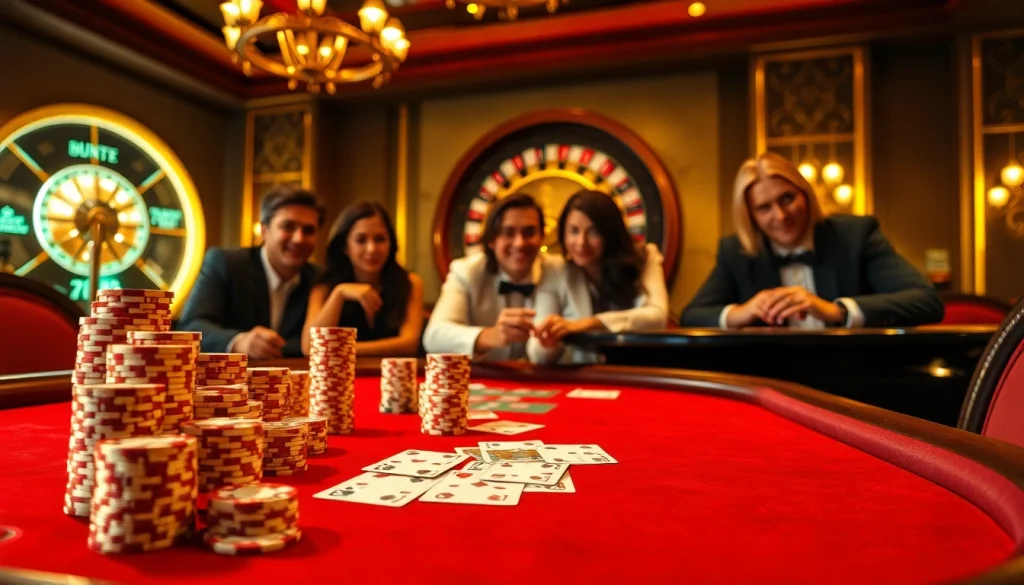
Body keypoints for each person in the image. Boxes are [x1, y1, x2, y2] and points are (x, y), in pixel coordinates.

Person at [681, 151, 943, 329]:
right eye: (764, 208)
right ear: (750, 216)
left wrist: (836, 311)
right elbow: (691, 316)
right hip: (772, 386)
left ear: (805, 194)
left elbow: (926, 301)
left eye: (787, 199)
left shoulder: (855, 235)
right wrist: (742, 311)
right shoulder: (735, 252)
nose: (781, 216)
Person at [178, 185, 324, 358]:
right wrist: (239, 341)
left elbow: (315, 343)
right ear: (264, 230)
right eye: (288, 227)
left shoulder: (320, 279)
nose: (299, 238)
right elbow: (191, 327)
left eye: (308, 230)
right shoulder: (227, 264)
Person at [531, 189, 670, 363]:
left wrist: (588, 324)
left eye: (593, 232)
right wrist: (549, 342)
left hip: (638, 369)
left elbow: (658, 316)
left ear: (610, 233)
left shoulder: (645, 257)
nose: (582, 242)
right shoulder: (554, 269)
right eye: (574, 231)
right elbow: (537, 355)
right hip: (583, 377)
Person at [422, 193, 564, 362]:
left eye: (529, 232)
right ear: (491, 240)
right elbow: (434, 337)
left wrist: (547, 343)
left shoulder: (557, 270)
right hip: (482, 380)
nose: (519, 243)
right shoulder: (466, 271)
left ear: (541, 237)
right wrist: (491, 335)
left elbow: (545, 354)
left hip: (541, 381)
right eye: (508, 232)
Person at [300, 201, 423, 356]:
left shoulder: (410, 282)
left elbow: (408, 344)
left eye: (380, 239)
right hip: (340, 377)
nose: (371, 249)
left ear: (391, 243)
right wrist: (339, 294)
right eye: (361, 240)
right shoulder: (325, 285)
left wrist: (336, 349)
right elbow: (309, 347)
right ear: (345, 246)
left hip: (390, 377)